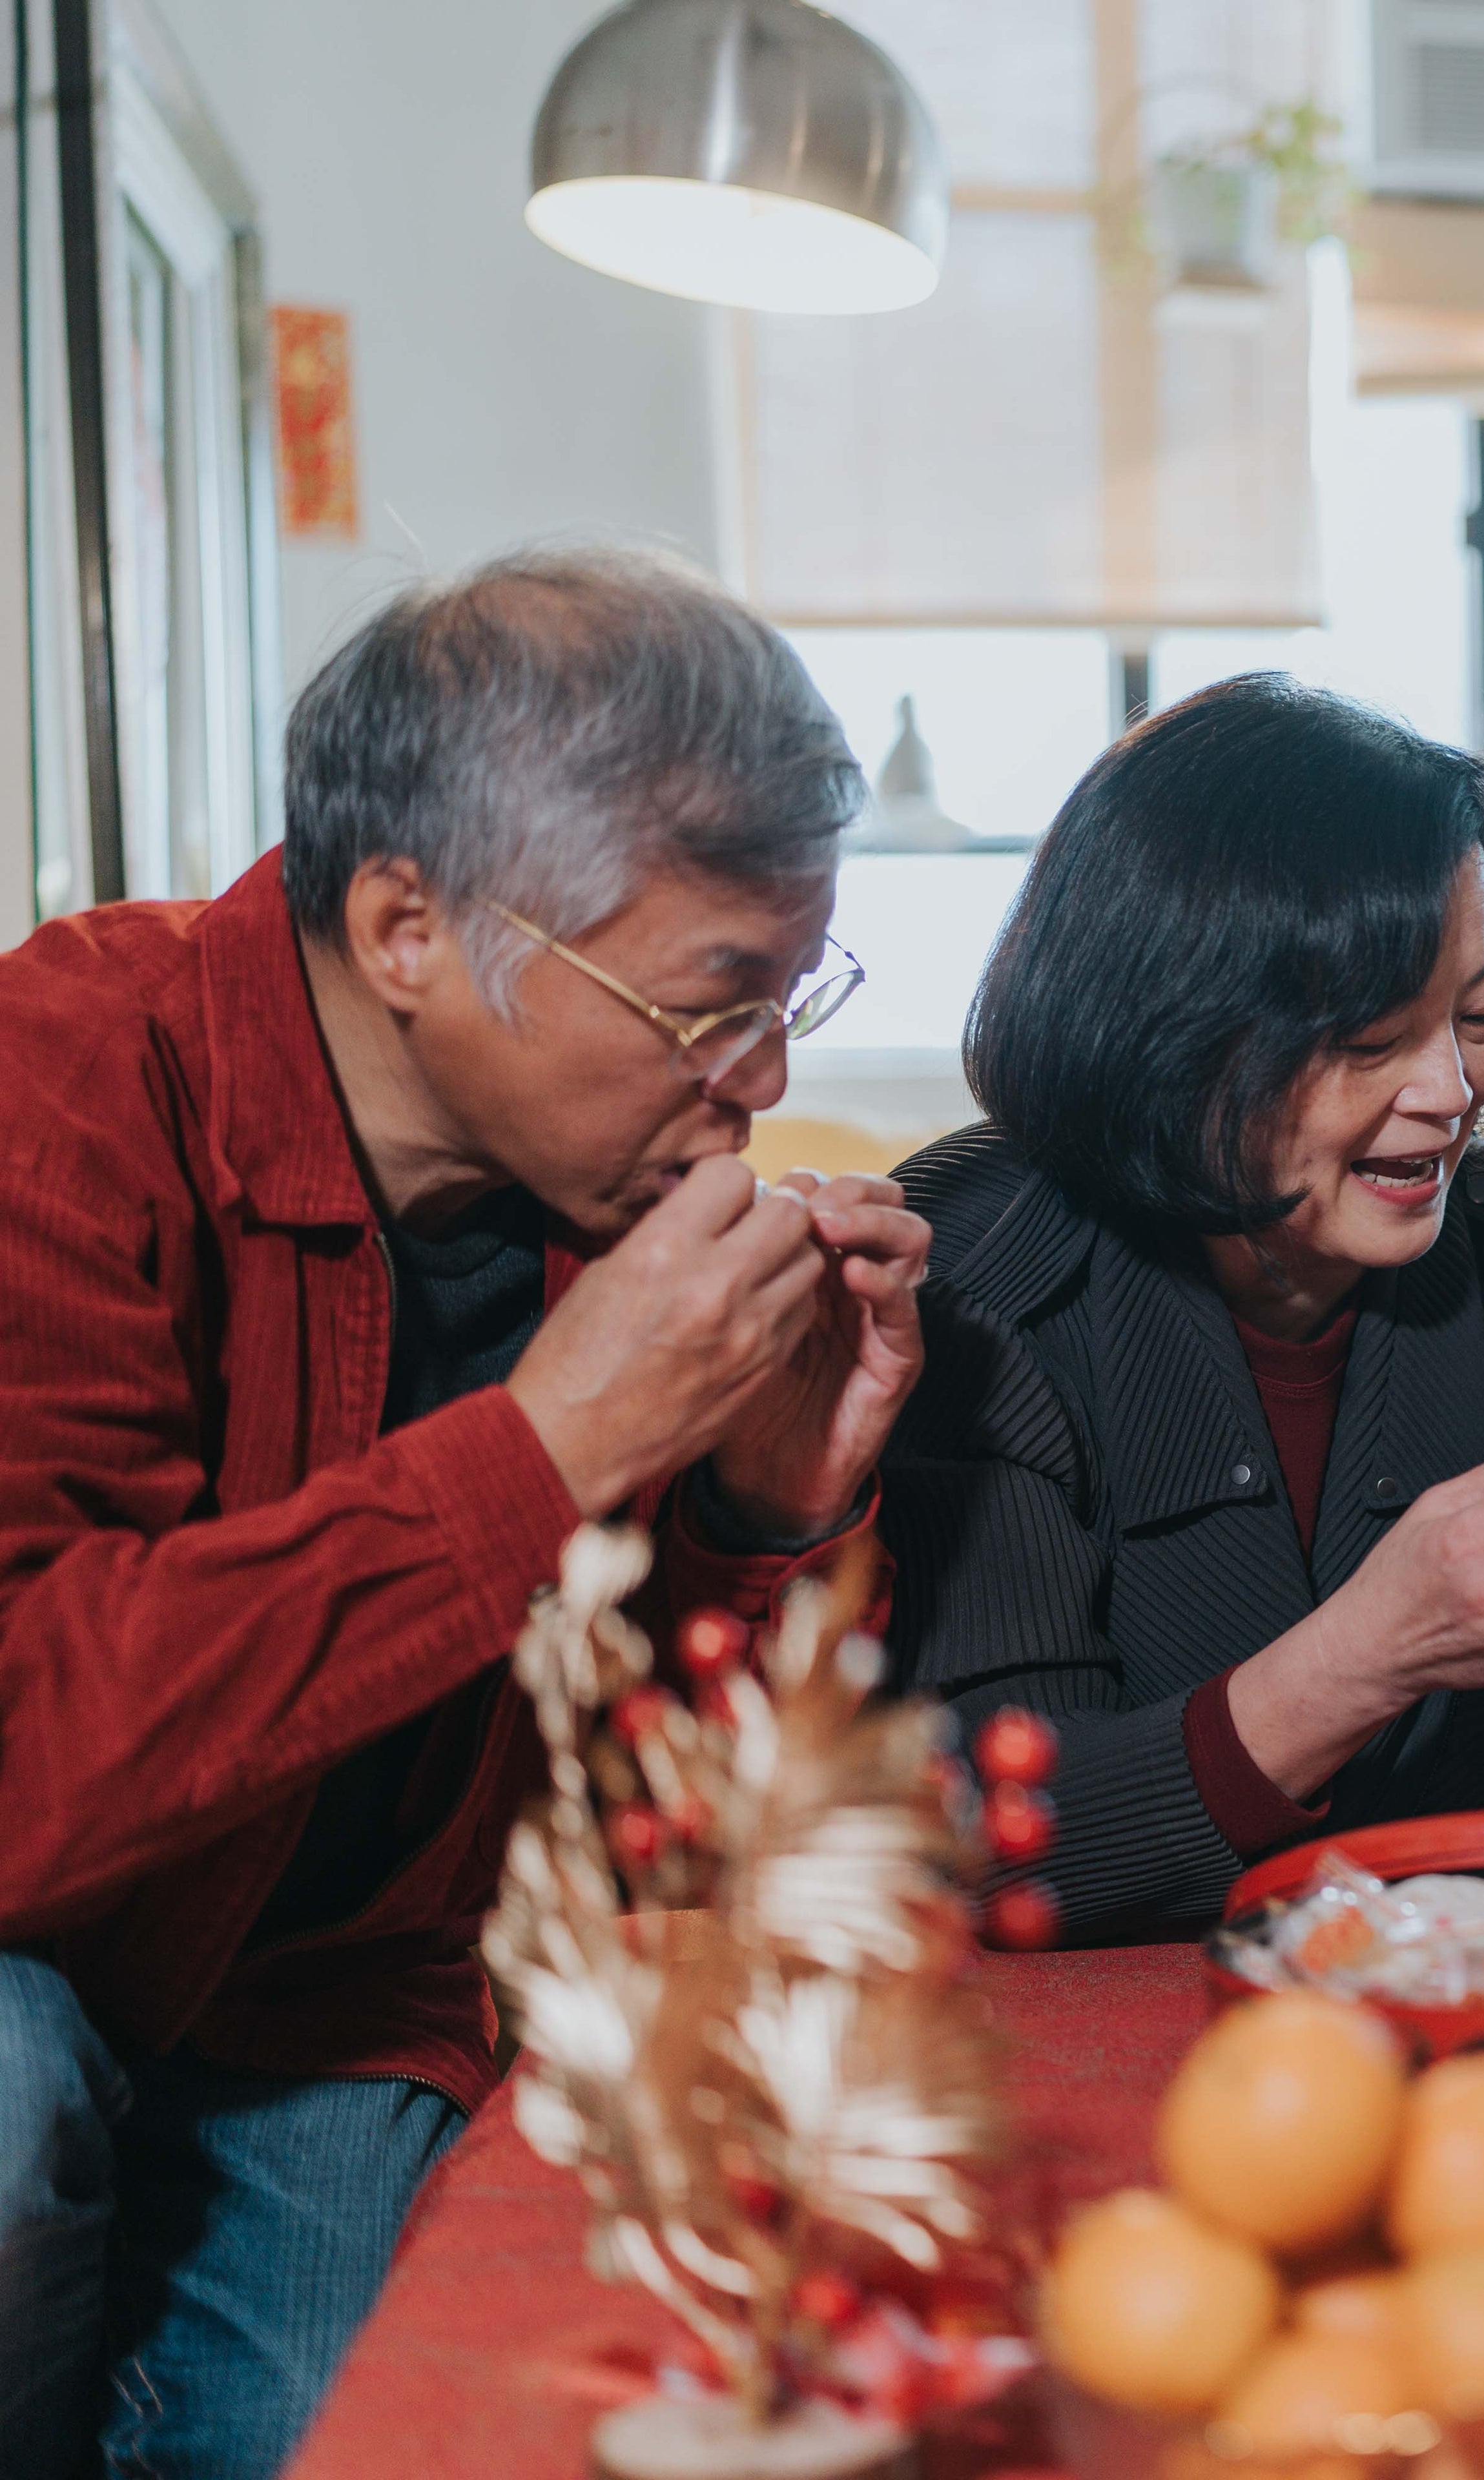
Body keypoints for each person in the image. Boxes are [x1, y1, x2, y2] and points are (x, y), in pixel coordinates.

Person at [0, 548, 926, 2478]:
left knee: (419, 2428)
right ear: (410, 926)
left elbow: (655, 1833)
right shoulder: (65, 1072)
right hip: (44, 1957)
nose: (763, 1085)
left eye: (796, 990)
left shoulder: (615, 1218)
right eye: (709, 1003)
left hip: (342, 2011)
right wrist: (546, 1447)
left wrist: (766, 1514)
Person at [878, 675, 1484, 1941]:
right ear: (1168, 1023)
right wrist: (1371, 1654)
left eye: (1481, 1017)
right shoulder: (972, 1287)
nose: (1454, 1092)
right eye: (1373, 1037)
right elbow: (988, 1848)